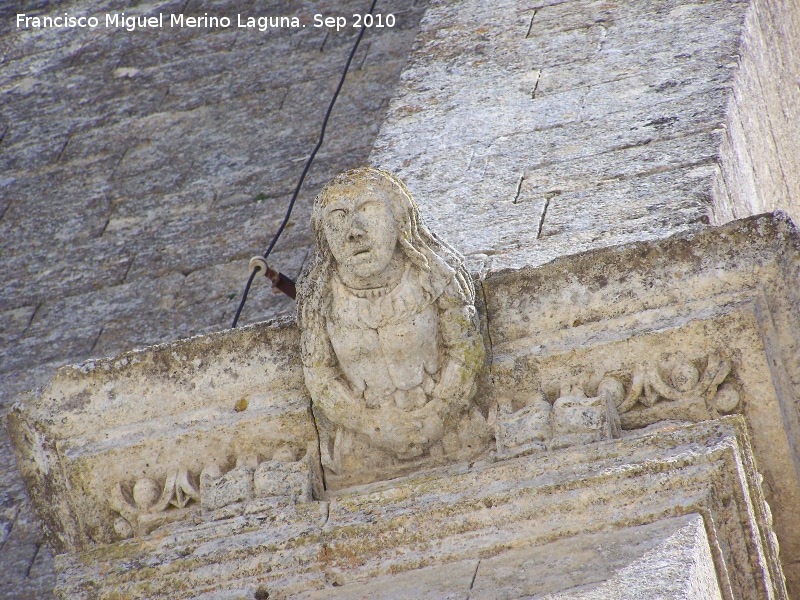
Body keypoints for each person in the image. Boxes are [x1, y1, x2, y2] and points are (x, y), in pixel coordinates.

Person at [296, 167, 485, 486]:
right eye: (338, 218)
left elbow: (466, 350)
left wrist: (438, 414)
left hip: (456, 435)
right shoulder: (319, 297)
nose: (353, 231)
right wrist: (370, 424)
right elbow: (320, 374)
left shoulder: (433, 275)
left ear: (400, 220)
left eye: (368, 210)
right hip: (362, 451)